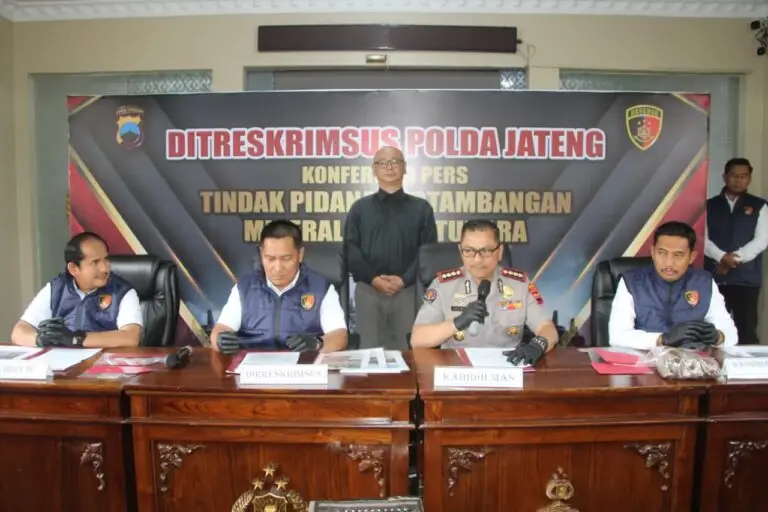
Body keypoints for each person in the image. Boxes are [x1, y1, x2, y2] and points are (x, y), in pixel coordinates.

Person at [410, 220, 559, 366]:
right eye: (469, 251)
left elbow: (548, 329)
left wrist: (538, 345)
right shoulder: (443, 285)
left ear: (499, 252)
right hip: (457, 370)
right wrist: (457, 322)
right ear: (460, 251)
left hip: (506, 368)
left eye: (486, 251)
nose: (477, 259)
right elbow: (417, 339)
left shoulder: (520, 284)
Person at [344, 145, 437, 350]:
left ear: (405, 168)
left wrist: (404, 280)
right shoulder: (360, 209)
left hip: (408, 292)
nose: (389, 167)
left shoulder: (421, 209)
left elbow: (427, 252)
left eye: (395, 161)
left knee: (407, 354)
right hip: (368, 291)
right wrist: (373, 279)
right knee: (368, 353)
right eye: (383, 163)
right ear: (374, 169)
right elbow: (351, 250)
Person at [211, 220, 347, 354]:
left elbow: (339, 335)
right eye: (270, 259)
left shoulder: (320, 288)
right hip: (253, 363)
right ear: (261, 254)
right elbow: (220, 330)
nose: (277, 268)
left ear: (300, 255)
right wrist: (220, 340)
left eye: (286, 258)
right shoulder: (244, 288)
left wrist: (317, 343)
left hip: (302, 363)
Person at [609, 221, 738, 350]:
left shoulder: (703, 282)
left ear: (692, 257)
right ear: (653, 252)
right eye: (662, 253)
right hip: (644, 359)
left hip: (692, 359)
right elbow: (617, 336)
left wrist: (719, 337)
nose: (669, 263)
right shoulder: (632, 281)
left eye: (678, 255)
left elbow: (731, 333)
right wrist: (662, 339)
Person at [10, 232, 143, 348]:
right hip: (63, 363)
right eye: (95, 262)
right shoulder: (56, 289)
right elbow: (18, 332)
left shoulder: (122, 291)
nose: (104, 268)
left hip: (104, 364)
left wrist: (76, 339)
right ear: (73, 269)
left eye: (106, 259)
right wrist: (41, 339)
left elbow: (130, 338)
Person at [705, 157, 768, 345]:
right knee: (712, 331)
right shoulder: (708, 205)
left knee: (746, 330)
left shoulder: (759, 206)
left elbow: (762, 239)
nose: (738, 180)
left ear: (749, 178)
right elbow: (701, 238)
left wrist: (734, 259)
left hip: (745, 279)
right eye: (734, 175)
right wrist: (721, 257)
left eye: (743, 176)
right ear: (725, 177)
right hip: (713, 277)